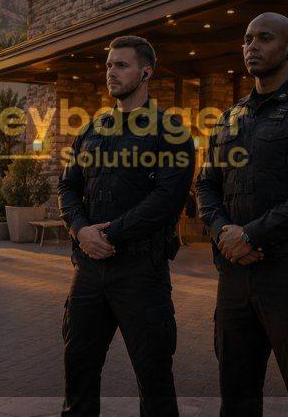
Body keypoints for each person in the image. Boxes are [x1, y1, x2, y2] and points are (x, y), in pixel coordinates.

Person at [195, 13, 288, 417]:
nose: (252, 47)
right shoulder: (229, 119)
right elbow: (205, 184)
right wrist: (221, 231)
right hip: (234, 279)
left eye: (264, 38)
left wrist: (251, 235)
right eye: (247, 39)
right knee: (236, 394)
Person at [58, 36, 195, 416]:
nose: (111, 73)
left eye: (121, 65)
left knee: (154, 381)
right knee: (78, 371)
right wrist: (81, 230)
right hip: (88, 273)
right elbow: (67, 186)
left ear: (146, 71)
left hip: (140, 274)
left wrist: (108, 234)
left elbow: (167, 201)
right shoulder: (90, 129)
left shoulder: (171, 131)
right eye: (108, 66)